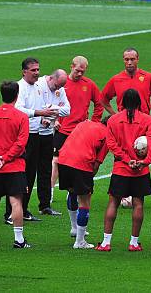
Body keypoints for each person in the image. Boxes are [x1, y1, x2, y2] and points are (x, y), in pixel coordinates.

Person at [96, 89, 151, 252]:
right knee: (138, 204)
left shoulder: (113, 120)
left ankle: (105, 242)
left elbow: (112, 145)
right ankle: (134, 243)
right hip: (140, 171)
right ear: (139, 103)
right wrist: (144, 162)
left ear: (122, 103)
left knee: (113, 202)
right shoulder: (148, 120)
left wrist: (126, 159)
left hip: (121, 169)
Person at [4, 58, 59, 224]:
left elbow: (40, 108)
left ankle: (25, 209)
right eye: (33, 70)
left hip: (39, 133)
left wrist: (44, 118)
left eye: (38, 69)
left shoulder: (37, 87)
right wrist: (38, 113)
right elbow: (18, 109)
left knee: (33, 173)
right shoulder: (19, 87)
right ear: (24, 72)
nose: (37, 73)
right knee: (22, 174)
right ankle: (10, 213)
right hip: (25, 135)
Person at [52, 56, 103, 234]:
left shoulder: (89, 85)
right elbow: (51, 103)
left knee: (72, 173)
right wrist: (55, 120)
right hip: (64, 131)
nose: (80, 73)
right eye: (77, 70)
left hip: (81, 132)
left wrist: (94, 122)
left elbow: (99, 104)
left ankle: (75, 226)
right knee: (56, 161)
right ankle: (49, 194)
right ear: (71, 66)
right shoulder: (63, 84)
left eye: (83, 71)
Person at [0, 81, 31, 248]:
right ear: (17, 96)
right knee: (16, 202)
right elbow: (21, 143)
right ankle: (19, 240)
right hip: (14, 166)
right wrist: (6, 158)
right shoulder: (21, 117)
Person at [58, 116, 109, 249]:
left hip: (63, 159)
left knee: (72, 192)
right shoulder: (107, 135)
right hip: (81, 163)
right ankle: (79, 241)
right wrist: (89, 179)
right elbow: (97, 164)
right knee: (85, 200)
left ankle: (74, 228)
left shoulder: (85, 123)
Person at [36, 69, 70, 215]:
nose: (58, 89)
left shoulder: (60, 89)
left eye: (60, 87)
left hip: (48, 133)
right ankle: (20, 207)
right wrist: (45, 112)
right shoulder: (38, 85)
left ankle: (45, 205)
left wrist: (51, 110)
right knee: (29, 171)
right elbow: (32, 109)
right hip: (34, 132)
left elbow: (67, 110)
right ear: (50, 78)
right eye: (56, 85)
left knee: (45, 170)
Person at [101, 47, 151, 116]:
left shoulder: (148, 77)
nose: (129, 63)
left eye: (132, 59)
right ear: (123, 60)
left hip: (143, 121)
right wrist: (114, 115)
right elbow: (103, 99)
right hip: (123, 122)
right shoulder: (116, 79)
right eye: (126, 59)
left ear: (137, 59)